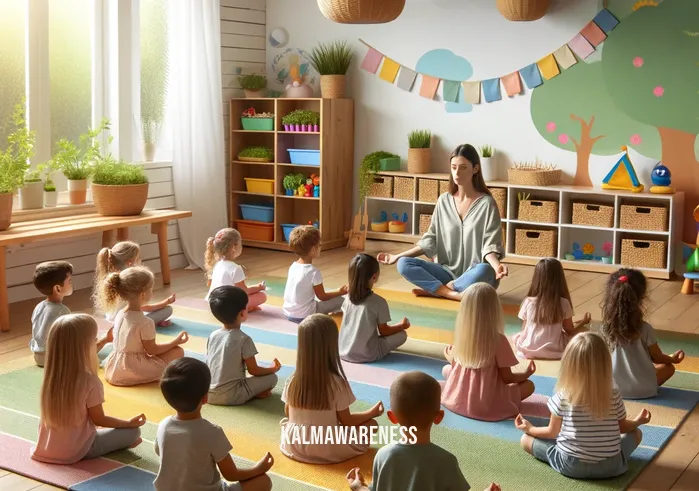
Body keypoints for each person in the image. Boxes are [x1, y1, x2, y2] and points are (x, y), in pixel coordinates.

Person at [377, 144, 507, 301]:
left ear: (475, 169)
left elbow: (490, 245)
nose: (457, 173)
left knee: (485, 270)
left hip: (475, 275)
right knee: (404, 264)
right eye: (453, 167)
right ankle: (452, 293)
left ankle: (439, 290)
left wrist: (496, 266)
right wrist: (396, 257)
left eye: (463, 168)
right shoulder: (443, 201)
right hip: (446, 272)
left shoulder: (487, 203)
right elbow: (430, 239)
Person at [515, 332, 651, 479]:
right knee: (636, 433)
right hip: (611, 467)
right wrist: (638, 421)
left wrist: (530, 428)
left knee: (525, 440)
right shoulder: (613, 394)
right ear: (605, 364)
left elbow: (552, 432)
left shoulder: (564, 396)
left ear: (568, 365)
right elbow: (621, 427)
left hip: (573, 466)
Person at [346, 371, 500, 491]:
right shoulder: (445, 461)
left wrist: (359, 487)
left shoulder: (383, 456)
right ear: (439, 417)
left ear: (392, 417)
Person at [31, 314, 144, 464]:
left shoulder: (52, 377)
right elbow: (99, 419)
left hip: (46, 448)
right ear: (84, 347)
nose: (96, 341)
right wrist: (128, 423)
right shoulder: (90, 381)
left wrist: (104, 340)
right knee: (134, 432)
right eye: (94, 339)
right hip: (78, 450)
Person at [156, 357, 274, 491]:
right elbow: (231, 474)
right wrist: (258, 469)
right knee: (264, 481)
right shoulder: (212, 432)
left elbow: (162, 454)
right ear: (205, 398)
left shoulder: (163, 426)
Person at [280, 314, 383, 464]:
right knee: (371, 425)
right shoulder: (337, 383)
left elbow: (287, 412)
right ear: (331, 345)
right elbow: (347, 421)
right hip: (326, 445)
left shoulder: (293, 379)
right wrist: (371, 413)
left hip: (295, 444)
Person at [442, 283, 535, 421]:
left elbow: (463, 366)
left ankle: (460, 397)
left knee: (446, 369)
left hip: (456, 400)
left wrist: (450, 358)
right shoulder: (498, 340)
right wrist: (526, 373)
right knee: (529, 385)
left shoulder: (462, 334)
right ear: (495, 310)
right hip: (487, 404)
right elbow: (508, 378)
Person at [601, 268, 684, 399]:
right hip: (645, 389)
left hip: (612, 390)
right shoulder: (645, 329)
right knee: (668, 368)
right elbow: (657, 358)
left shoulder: (604, 329)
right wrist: (672, 359)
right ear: (641, 298)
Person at [100, 267, 188, 386]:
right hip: (131, 369)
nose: (152, 292)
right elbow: (152, 351)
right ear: (142, 295)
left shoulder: (120, 314)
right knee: (178, 351)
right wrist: (175, 342)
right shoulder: (145, 322)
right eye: (151, 289)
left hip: (114, 367)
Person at [206, 285, 281, 405]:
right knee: (272, 378)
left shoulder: (213, 335)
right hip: (232, 396)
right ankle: (253, 394)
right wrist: (273, 369)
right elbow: (254, 370)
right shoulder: (243, 339)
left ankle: (254, 392)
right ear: (242, 313)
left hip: (208, 394)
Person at [514, 258, 590, 359]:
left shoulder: (528, 301)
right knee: (584, 335)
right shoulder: (563, 303)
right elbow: (569, 330)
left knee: (517, 336)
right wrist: (582, 324)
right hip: (554, 350)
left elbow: (524, 329)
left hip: (528, 350)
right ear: (560, 279)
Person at [339, 254, 409, 363]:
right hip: (367, 354)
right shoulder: (379, 302)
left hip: (342, 351)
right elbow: (384, 331)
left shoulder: (347, 298)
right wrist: (401, 326)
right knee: (402, 335)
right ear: (374, 277)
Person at [94, 241, 176, 326]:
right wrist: (166, 302)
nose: (140, 261)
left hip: (112, 318)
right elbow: (144, 308)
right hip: (126, 321)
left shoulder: (111, 277)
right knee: (168, 310)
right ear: (130, 262)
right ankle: (149, 324)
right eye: (138, 258)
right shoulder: (131, 279)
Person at [283, 225, 348, 322]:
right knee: (342, 300)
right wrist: (340, 292)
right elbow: (322, 297)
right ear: (313, 250)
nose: (321, 247)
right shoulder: (313, 272)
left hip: (288, 313)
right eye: (320, 245)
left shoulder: (293, 266)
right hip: (304, 315)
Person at [205, 228, 267, 311]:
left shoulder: (217, 264)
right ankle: (243, 310)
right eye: (240, 244)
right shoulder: (235, 268)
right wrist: (258, 287)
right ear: (234, 247)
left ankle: (245, 308)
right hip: (227, 306)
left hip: (213, 304)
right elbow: (244, 291)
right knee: (262, 296)